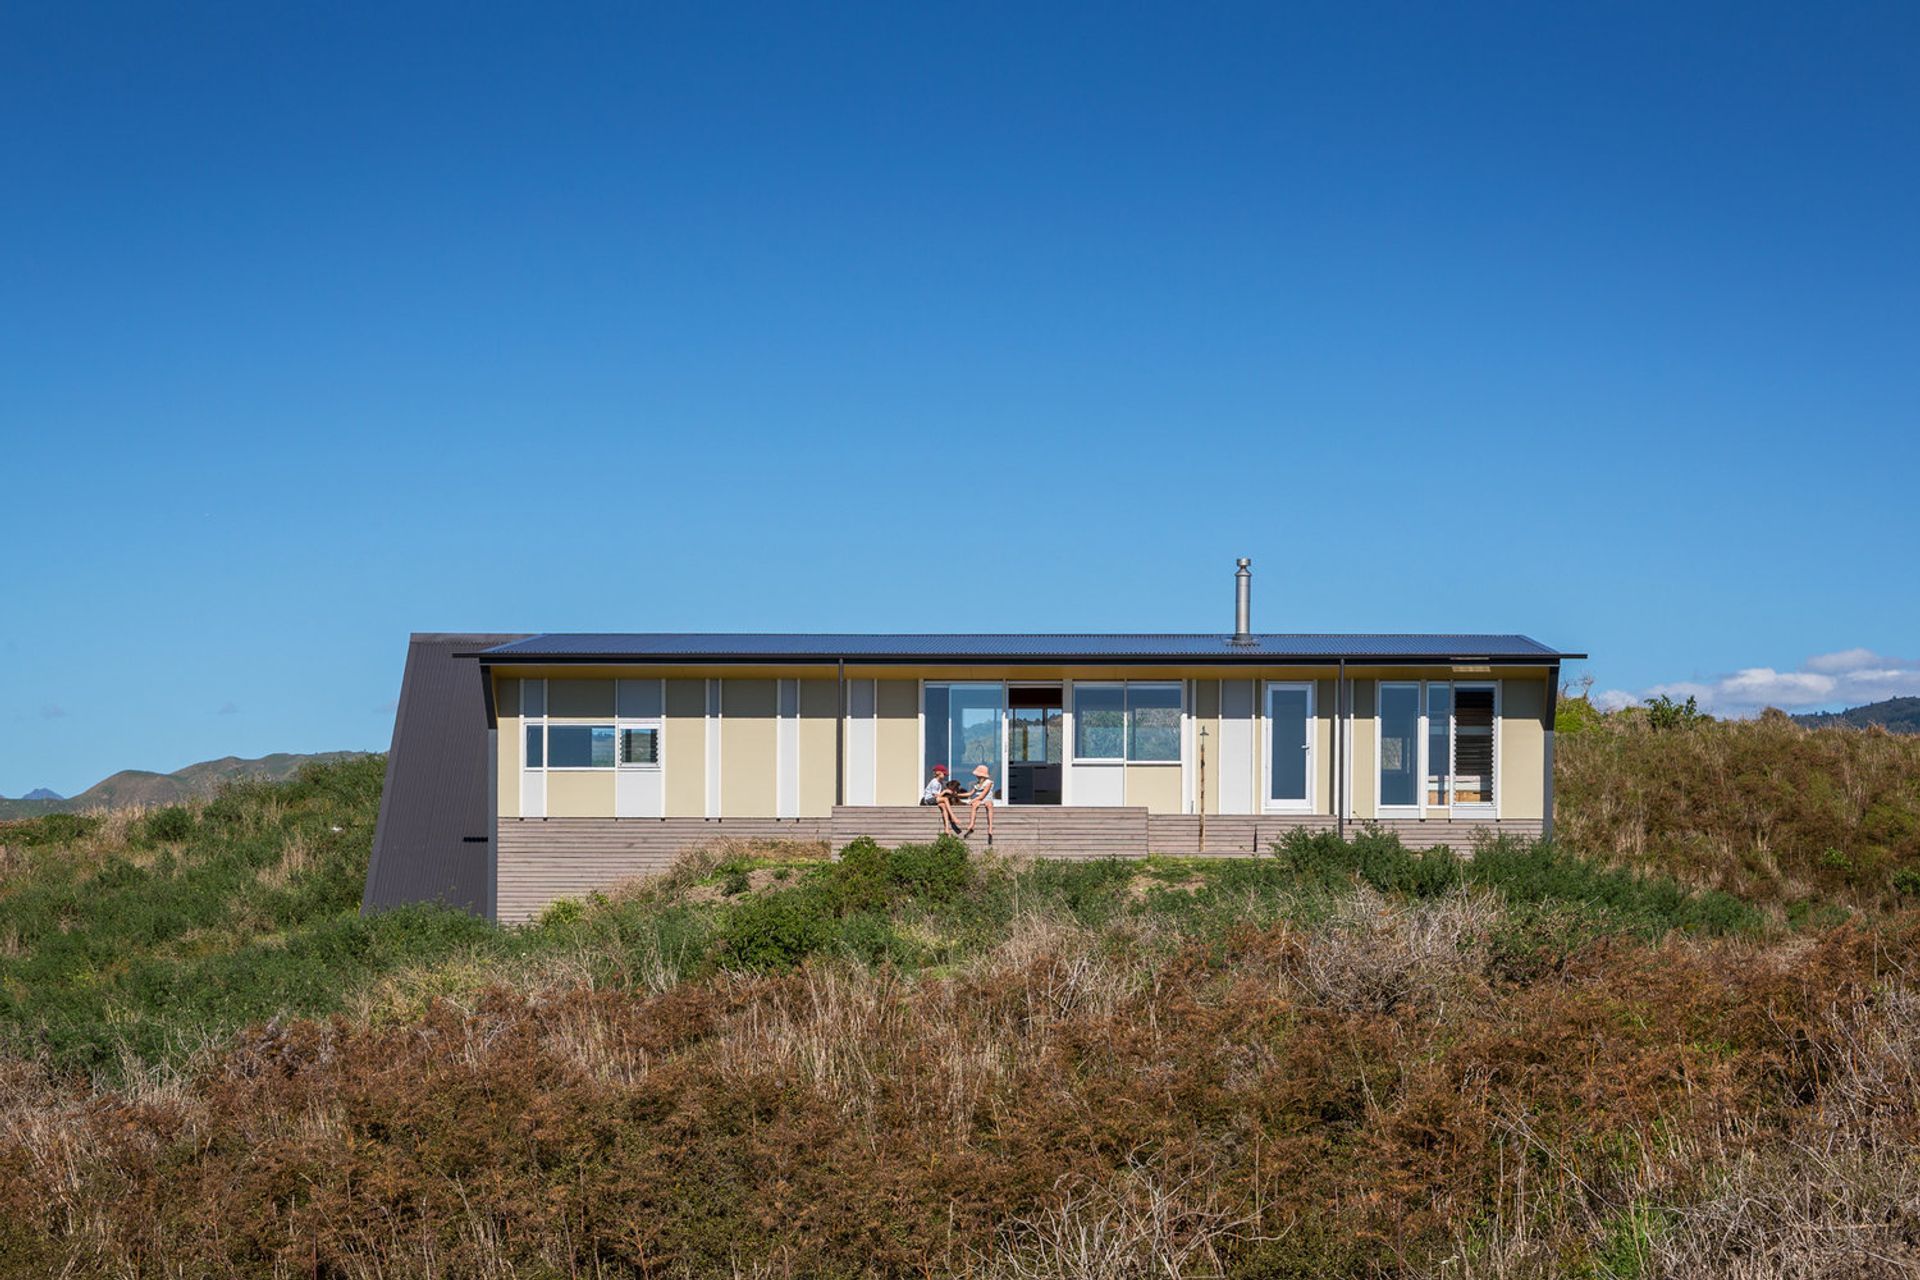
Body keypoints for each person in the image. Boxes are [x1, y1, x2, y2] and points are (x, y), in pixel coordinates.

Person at [962, 763, 995, 837]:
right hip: (978, 799)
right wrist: (957, 795)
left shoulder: (988, 783)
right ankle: (971, 824)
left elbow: (982, 795)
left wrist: (972, 800)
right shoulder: (977, 784)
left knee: (989, 805)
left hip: (986, 798)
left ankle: (990, 827)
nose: (976, 776)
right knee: (974, 805)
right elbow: (970, 794)